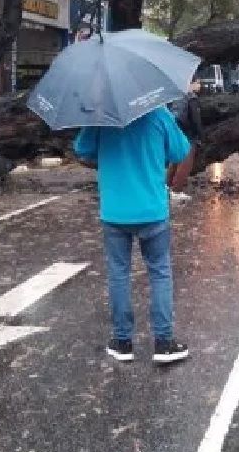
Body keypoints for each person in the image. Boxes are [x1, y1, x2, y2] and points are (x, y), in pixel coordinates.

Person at [74, 106, 192, 365]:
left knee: (119, 273)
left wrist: (106, 156)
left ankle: (122, 342)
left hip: (115, 210)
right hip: (152, 209)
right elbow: (181, 151)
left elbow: (82, 150)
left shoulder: (100, 116)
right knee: (160, 272)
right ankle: (163, 343)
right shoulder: (159, 114)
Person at [167, 81, 204, 200]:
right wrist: (200, 135)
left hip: (177, 130)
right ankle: (176, 190)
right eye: (198, 82)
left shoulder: (177, 95)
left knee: (175, 161)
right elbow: (196, 120)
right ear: (191, 83)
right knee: (186, 162)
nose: (200, 85)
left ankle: (167, 187)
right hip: (189, 133)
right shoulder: (191, 97)